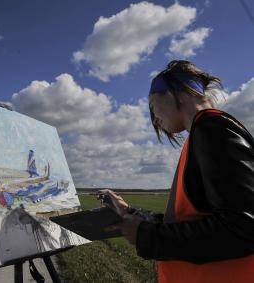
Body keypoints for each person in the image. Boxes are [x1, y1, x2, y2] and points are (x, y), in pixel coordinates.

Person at [98, 60, 254, 283]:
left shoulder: (213, 129)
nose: (154, 119)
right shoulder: (202, 134)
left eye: (153, 106)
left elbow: (243, 228)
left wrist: (148, 236)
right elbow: (188, 219)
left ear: (178, 93)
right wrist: (130, 212)